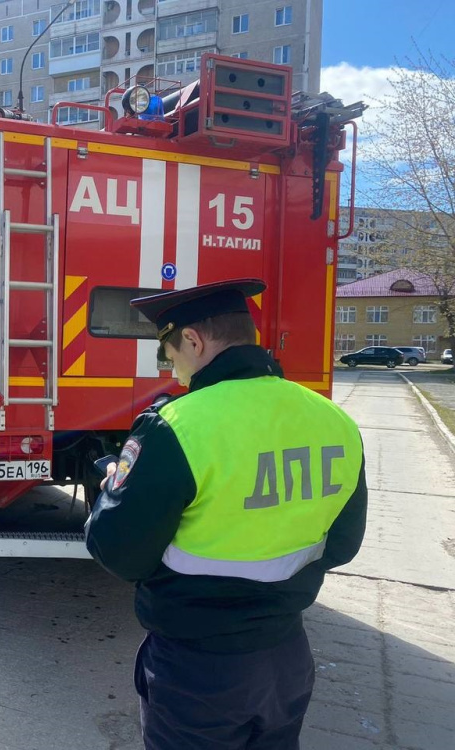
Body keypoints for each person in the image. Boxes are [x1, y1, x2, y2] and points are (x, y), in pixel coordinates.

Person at [85, 278, 367, 750]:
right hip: (287, 659)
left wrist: (114, 490)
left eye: (170, 355)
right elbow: (343, 545)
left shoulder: (176, 425)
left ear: (193, 340)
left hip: (198, 669)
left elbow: (119, 552)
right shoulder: (333, 419)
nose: (174, 372)